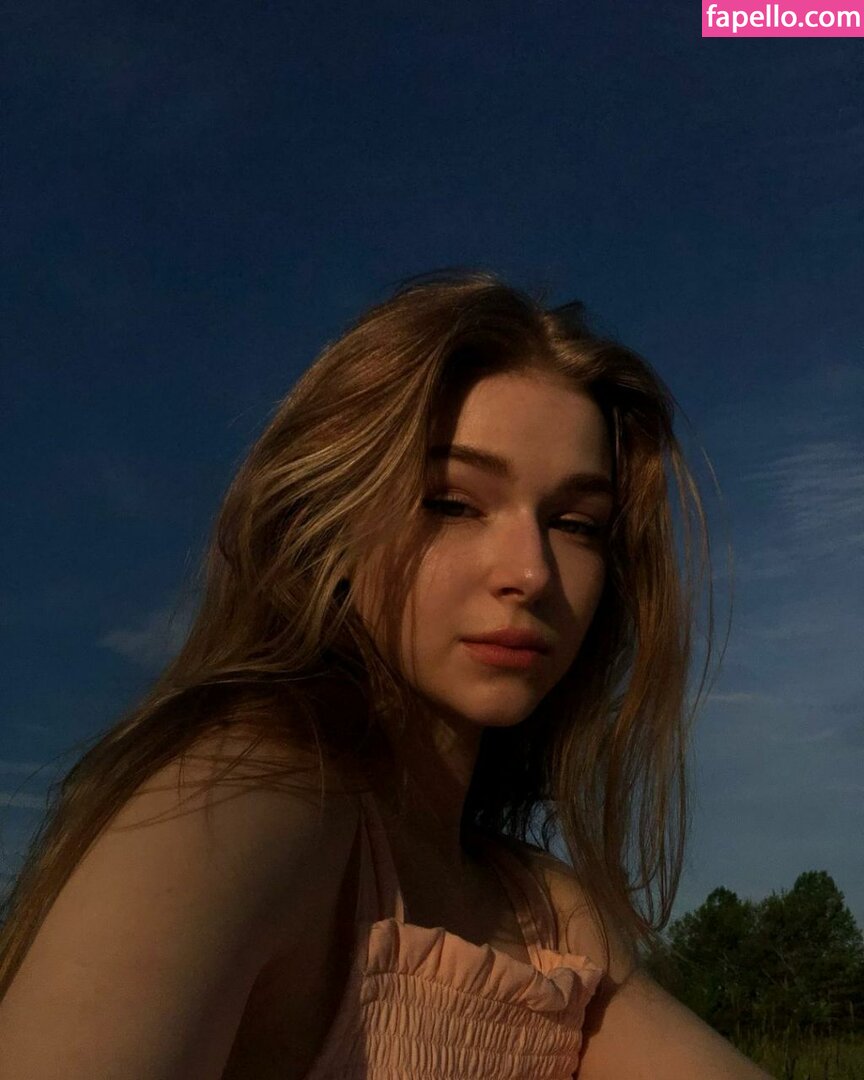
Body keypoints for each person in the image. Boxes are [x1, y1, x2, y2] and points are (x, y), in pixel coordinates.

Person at [0, 270, 772, 1078]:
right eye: (452, 503)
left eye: (577, 524)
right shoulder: (247, 803)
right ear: (328, 521)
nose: (532, 573)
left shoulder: (546, 912)